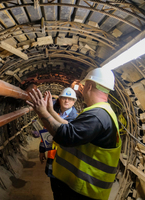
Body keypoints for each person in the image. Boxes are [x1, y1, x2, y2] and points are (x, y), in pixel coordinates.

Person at [27, 68, 121, 200]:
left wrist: (42, 112)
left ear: (88, 86)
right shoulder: (101, 112)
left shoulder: (97, 115)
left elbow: (67, 136)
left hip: (84, 188)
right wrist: (50, 111)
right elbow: (71, 127)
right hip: (80, 185)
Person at [39, 88, 78, 198]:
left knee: (67, 191)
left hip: (67, 160)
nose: (67, 101)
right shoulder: (54, 113)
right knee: (56, 190)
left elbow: (70, 133)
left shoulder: (76, 119)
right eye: (64, 98)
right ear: (59, 99)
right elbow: (46, 132)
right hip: (53, 158)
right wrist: (42, 150)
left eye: (70, 99)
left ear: (74, 101)